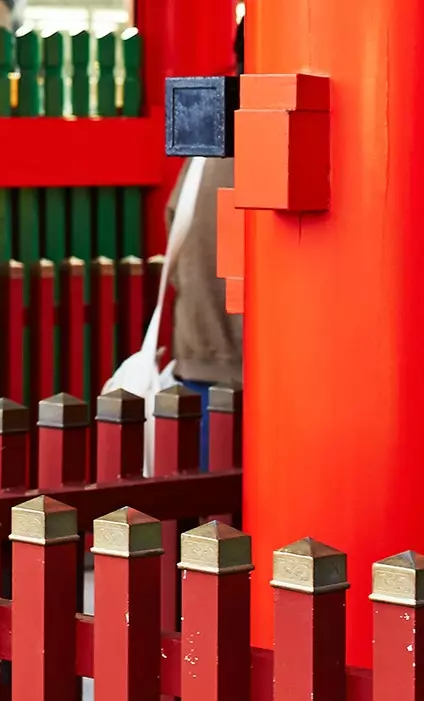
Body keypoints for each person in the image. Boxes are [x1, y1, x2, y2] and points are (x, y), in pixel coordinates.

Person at [167, 15, 245, 469]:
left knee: (205, 525)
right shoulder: (309, 134)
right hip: (267, 377)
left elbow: (177, 234)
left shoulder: (206, 140)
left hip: (199, 357)